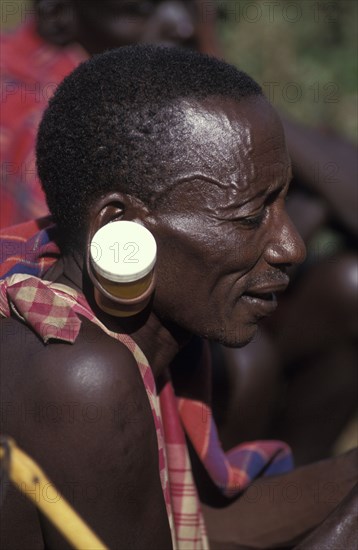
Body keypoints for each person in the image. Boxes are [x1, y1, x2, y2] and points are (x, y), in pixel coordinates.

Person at [0, 46, 356, 549]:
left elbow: (194, 526)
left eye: (283, 202)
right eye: (251, 217)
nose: (291, 247)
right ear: (118, 225)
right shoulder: (81, 377)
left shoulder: (110, 324)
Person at [0, 0, 218, 226]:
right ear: (57, 14)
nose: (185, 28)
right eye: (141, 9)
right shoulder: (60, 130)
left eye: (190, 4)